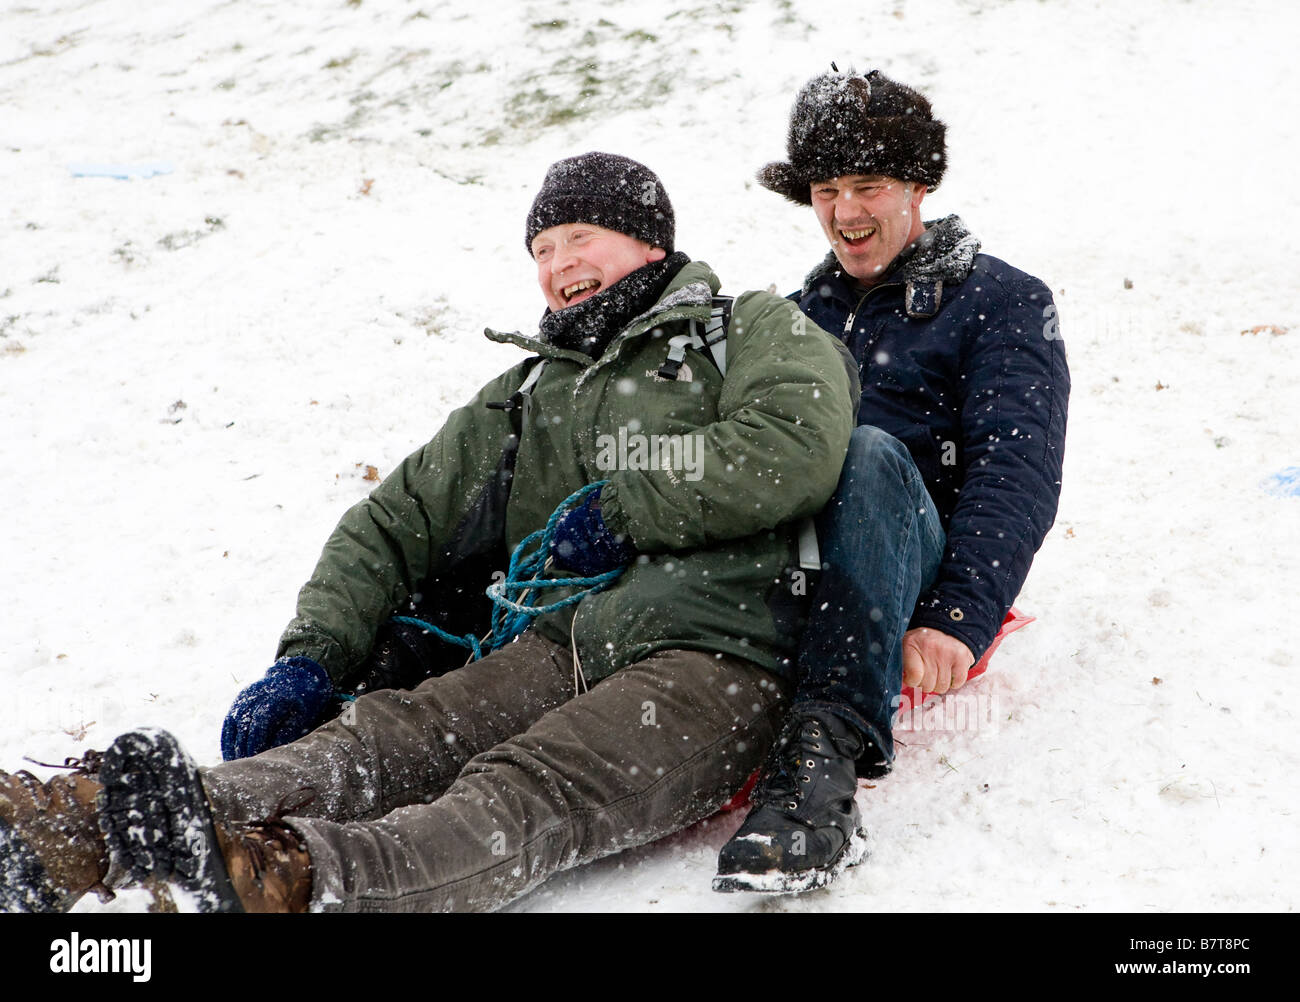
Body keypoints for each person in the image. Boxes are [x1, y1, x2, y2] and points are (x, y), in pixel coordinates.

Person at [0, 152, 855, 913]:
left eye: (580, 237)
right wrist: (312, 654)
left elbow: (796, 446)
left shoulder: (743, 329)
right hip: (564, 640)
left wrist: (629, 508)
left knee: (523, 789)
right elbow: (393, 520)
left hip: (722, 651)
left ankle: (284, 880)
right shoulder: (528, 393)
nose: (559, 266)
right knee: (387, 735)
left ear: (649, 244)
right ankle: (102, 823)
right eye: (542, 251)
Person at [713, 69, 1070, 893]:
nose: (844, 212)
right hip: (796, 559)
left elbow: (1017, 469)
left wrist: (957, 617)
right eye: (826, 189)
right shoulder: (801, 312)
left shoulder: (1002, 301)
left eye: (867, 185)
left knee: (868, 452)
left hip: (908, 560)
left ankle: (821, 772)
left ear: (919, 185)